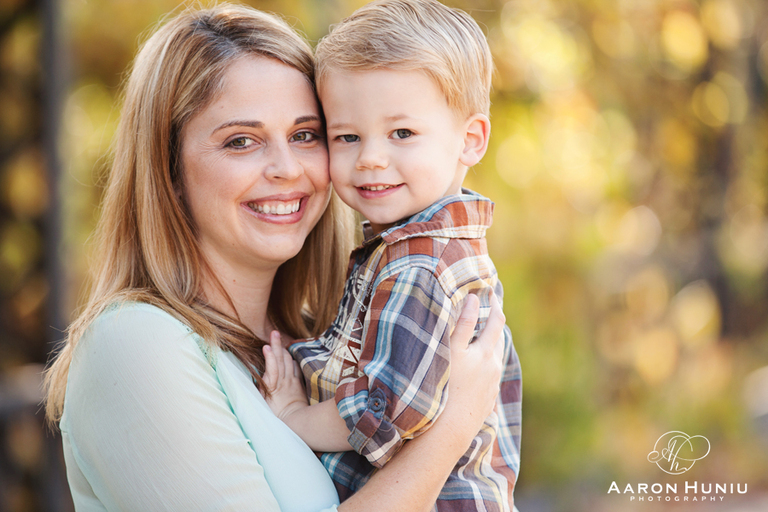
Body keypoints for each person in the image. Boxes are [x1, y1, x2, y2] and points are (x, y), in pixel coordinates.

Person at [41, 4, 508, 511]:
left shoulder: (330, 339)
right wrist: (453, 426)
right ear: (169, 171)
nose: (287, 168)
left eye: (305, 135)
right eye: (241, 141)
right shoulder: (134, 345)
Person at [263, 1, 522, 511]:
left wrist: (294, 415)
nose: (371, 158)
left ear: (470, 140)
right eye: (347, 136)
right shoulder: (419, 251)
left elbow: (382, 410)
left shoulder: (419, 267)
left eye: (402, 133)